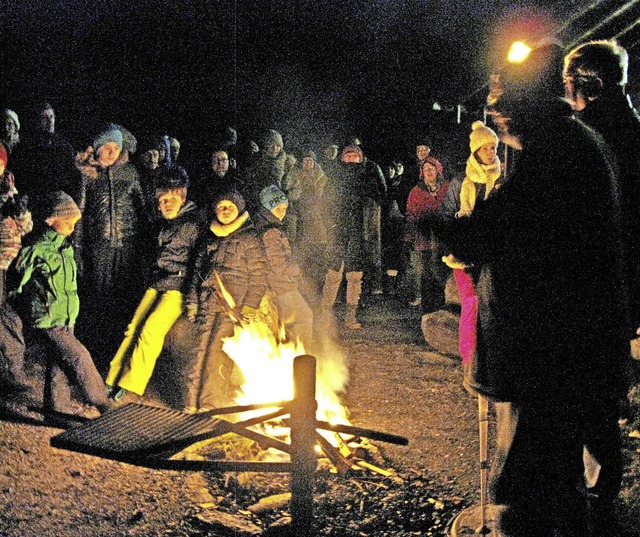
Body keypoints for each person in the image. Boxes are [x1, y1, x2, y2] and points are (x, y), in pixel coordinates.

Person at [444, 44, 630, 536]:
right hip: (558, 352)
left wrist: (437, 228)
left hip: (549, 353)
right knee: (555, 477)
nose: (494, 111)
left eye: (502, 99)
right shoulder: (568, 145)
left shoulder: (556, 155)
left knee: (532, 483)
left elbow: (491, 232)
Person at [563, 38, 640, 528]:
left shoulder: (583, 136)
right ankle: (603, 488)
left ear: (584, 84)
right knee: (606, 387)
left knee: (579, 389)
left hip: (585, 284)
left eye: (571, 82)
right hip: (627, 287)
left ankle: (592, 495)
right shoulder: (636, 130)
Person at [7, 191, 113, 421]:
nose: (72, 228)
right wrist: (16, 303)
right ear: (51, 220)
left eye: (75, 223)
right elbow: (17, 280)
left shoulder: (65, 247)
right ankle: (103, 403)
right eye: (68, 222)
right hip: (47, 317)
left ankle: (57, 411)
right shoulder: (37, 247)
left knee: (58, 364)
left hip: (66, 316)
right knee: (79, 357)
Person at [105, 172, 200, 405]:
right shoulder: (162, 224)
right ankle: (112, 377)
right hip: (158, 282)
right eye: (161, 201)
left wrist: (193, 297)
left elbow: (198, 263)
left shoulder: (193, 224)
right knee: (133, 328)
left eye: (169, 200)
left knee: (151, 331)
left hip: (177, 286)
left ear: (182, 197)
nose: (164, 205)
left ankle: (131, 385)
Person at [184, 190, 267, 411]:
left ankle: (210, 405)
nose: (225, 210)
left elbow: (259, 276)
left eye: (230, 206)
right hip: (207, 302)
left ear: (238, 209)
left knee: (217, 356)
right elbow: (197, 272)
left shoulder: (249, 237)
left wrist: (250, 305)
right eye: (221, 207)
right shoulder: (210, 236)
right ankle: (190, 404)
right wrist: (192, 301)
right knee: (197, 355)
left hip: (233, 308)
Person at [75, 125, 149, 367]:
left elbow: (143, 211)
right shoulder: (87, 174)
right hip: (98, 247)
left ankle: (117, 359)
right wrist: (77, 252)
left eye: (116, 148)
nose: (111, 152)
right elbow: (79, 216)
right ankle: (94, 357)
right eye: (107, 147)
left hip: (127, 246)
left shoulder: (130, 173)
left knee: (122, 301)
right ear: (98, 148)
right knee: (97, 301)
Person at [441, 121, 501, 364]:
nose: (491, 152)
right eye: (485, 148)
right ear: (475, 152)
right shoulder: (461, 181)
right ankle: (469, 359)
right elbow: (447, 215)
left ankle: (488, 361)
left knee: (491, 307)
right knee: (471, 302)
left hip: (491, 254)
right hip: (464, 256)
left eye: (493, 147)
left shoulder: (502, 180)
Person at [320, 144, 385, 330]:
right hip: (338, 231)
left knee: (355, 275)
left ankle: (350, 316)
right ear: (342, 158)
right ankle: (325, 315)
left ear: (360, 158)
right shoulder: (334, 177)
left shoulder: (369, 176)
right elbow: (324, 204)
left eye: (354, 156)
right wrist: (330, 225)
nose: (350, 158)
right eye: (347, 155)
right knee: (333, 273)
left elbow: (380, 197)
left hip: (359, 232)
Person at [254, 185, 314, 348]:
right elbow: (278, 266)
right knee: (304, 316)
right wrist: (296, 269)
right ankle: (302, 359)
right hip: (280, 285)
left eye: (285, 208)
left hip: (276, 284)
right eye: (278, 208)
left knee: (286, 323)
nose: (283, 212)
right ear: (268, 208)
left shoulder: (270, 228)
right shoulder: (271, 232)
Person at [0, 143, 34, 400]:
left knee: (10, 320)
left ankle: (13, 377)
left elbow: (26, 227)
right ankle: (13, 378)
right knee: (6, 321)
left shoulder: (8, 188)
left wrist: (20, 212)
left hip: (7, 265)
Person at [404, 156, 450, 313]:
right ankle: (428, 310)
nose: (428, 171)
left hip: (443, 239)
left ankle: (443, 307)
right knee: (426, 274)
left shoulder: (447, 188)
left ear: (438, 170)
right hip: (423, 239)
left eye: (431, 168)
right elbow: (410, 214)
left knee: (442, 273)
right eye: (425, 169)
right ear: (421, 173)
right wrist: (410, 236)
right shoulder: (416, 191)